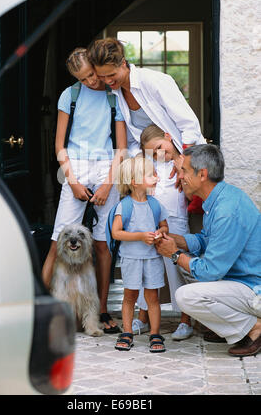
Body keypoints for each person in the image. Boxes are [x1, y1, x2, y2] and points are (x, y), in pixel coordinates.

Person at [87, 37, 205, 338]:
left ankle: (185, 317)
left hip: (175, 164)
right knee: (142, 237)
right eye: (101, 78)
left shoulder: (156, 81)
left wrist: (185, 166)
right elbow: (128, 140)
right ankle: (142, 311)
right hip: (147, 167)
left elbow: (189, 125)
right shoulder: (118, 93)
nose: (107, 82)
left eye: (110, 75)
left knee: (170, 234)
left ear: (123, 63)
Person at [41, 48, 127, 334]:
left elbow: (122, 147)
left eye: (92, 74)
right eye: (84, 78)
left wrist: (107, 184)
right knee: (58, 240)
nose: (91, 81)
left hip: (106, 167)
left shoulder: (113, 93)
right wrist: (74, 181)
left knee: (103, 244)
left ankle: (101, 310)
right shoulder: (70, 95)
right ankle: (44, 308)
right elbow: (59, 146)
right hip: (75, 166)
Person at [156, 144, 261, 357]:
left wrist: (174, 254)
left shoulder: (227, 210)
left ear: (202, 174)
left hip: (253, 288)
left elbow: (209, 271)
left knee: (185, 295)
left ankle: (253, 328)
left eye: (184, 170)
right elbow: (206, 240)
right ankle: (231, 327)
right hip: (238, 282)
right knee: (188, 267)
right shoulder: (218, 199)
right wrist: (177, 241)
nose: (180, 175)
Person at [138, 124, 193, 340]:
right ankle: (143, 317)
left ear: (169, 137)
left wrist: (183, 171)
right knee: (148, 270)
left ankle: (185, 320)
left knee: (177, 269)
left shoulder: (183, 162)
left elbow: (191, 194)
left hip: (177, 223)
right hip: (152, 224)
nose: (159, 154)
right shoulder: (152, 166)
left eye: (160, 147)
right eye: (153, 153)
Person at [112, 156, 169, 352]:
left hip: (152, 258)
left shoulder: (155, 204)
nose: (156, 176)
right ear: (135, 181)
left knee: (152, 297)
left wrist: (160, 234)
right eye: (150, 174)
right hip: (131, 258)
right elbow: (116, 232)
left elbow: (164, 226)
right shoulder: (125, 206)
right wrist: (140, 236)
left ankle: (155, 333)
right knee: (130, 296)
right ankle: (127, 332)